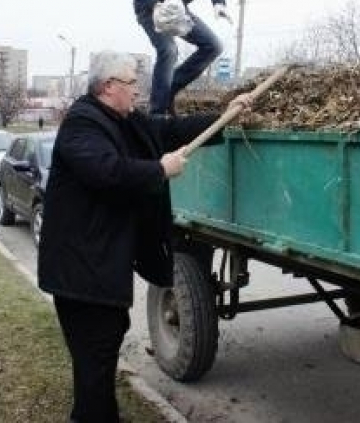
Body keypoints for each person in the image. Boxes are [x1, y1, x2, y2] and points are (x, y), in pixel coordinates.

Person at [37, 50, 250, 422]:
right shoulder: (82, 123)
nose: (139, 90)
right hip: (80, 274)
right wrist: (159, 170)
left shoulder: (124, 120)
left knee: (101, 355)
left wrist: (226, 115)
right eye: (132, 82)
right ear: (108, 87)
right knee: (95, 358)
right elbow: (108, 172)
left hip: (99, 268)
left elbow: (169, 130)